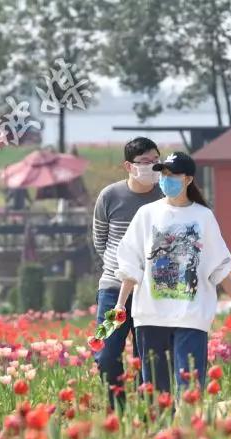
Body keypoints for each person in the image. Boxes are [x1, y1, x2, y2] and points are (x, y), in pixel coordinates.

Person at [114, 151, 231, 395]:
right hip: (150, 315)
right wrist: (120, 304)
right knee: (156, 391)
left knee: (189, 386)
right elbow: (130, 262)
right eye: (164, 174)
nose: (166, 179)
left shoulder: (203, 217)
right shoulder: (147, 214)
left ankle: (189, 431)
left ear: (188, 179)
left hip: (190, 315)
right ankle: (160, 433)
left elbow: (219, 266)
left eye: (173, 175)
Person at [92, 137, 163, 408]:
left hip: (154, 291)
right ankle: (117, 411)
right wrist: (121, 269)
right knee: (107, 354)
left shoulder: (166, 196)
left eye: (155, 161)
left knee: (152, 358)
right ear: (128, 166)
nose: (151, 167)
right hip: (113, 290)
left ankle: (149, 414)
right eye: (144, 163)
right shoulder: (110, 196)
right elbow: (100, 241)